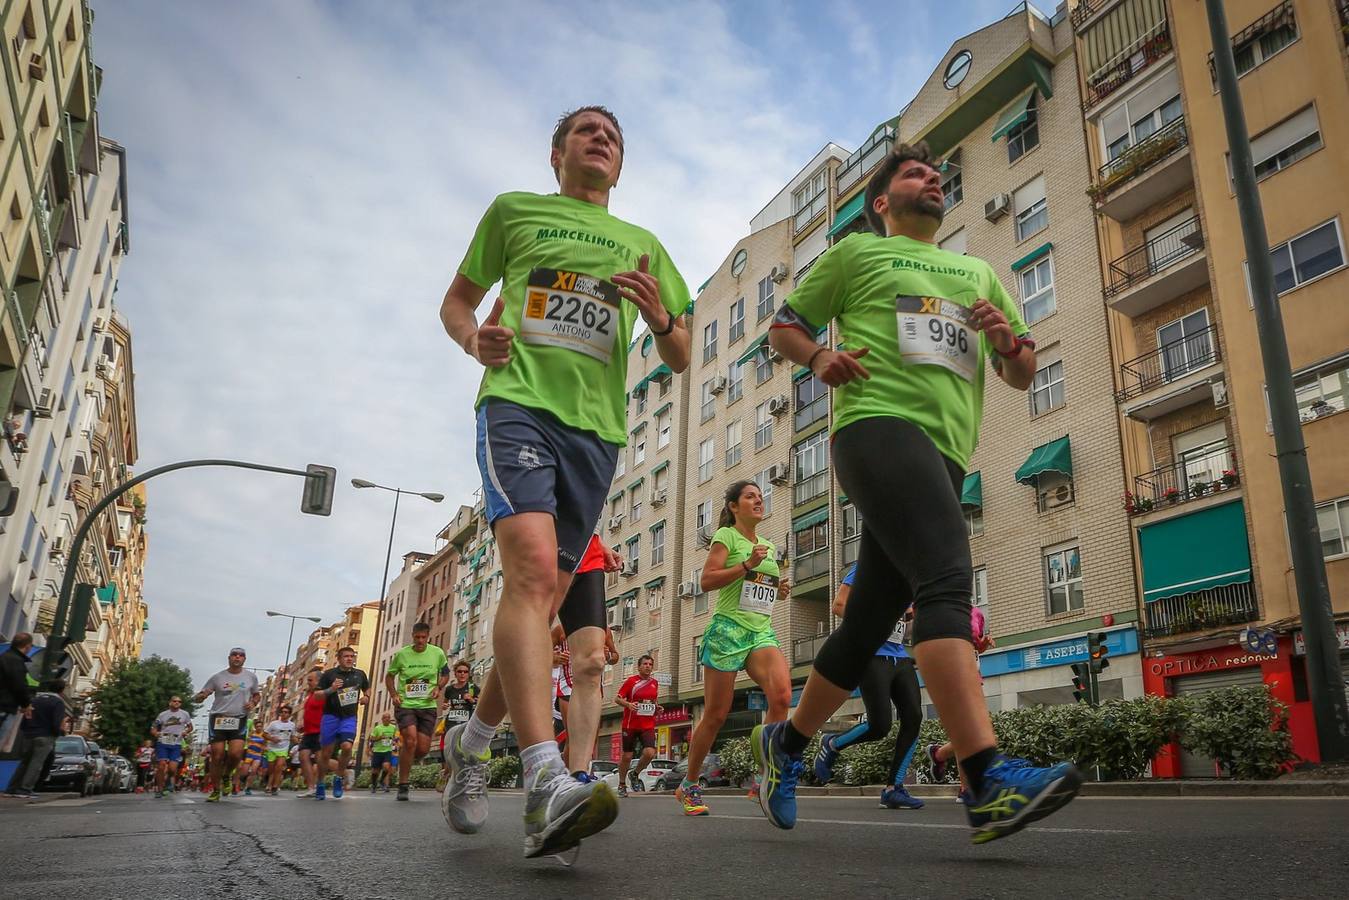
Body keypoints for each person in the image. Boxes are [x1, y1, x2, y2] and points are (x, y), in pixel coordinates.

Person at [756, 142, 1083, 844]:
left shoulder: (977, 273)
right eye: (913, 173)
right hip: (875, 428)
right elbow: (782, 327)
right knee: (944, 580)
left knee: (868, 622)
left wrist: (1006, 341)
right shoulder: (854, 256)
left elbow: (1021, 372)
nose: (931, 179)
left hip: (943, 452)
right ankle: (985, 778)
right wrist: (818, 357)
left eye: (937, 175)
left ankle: (782, 747)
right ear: (881, 201)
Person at [438, 104, 692, 861]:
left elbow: (678, 353)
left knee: (543, 602)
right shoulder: (514, 212)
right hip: (517, 406)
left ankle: (473, 742)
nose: (603, 139)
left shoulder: (643, 245)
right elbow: (457, 302)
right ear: (558, 154)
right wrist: (472, 339)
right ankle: (547, 777)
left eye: (613, 134)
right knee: (532, 572)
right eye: (587, 130)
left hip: (598, 432)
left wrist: (659, 318)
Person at [676, 481, 792, 817]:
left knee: (782, 697)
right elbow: (707, 581)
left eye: (759, 496)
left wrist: (778, 589)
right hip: (728, 630)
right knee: (715, 714)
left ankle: (762, 779)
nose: (758, 500)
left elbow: (760, 587)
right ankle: (690, 784)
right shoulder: (726, 537)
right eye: (750, 497)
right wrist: (745, 566)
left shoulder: (768, 545)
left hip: (760, 631)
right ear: (733, 506)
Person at [813, 564, 924, 810]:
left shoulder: (907, 578)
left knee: (914, 718)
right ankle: (832, 744)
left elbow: (905, 624)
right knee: (880, 726)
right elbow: (839, 605)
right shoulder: (868, 567)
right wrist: (878, 618)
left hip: (900, 656)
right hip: (873, 656)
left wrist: (912, 615)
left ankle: (893, 789)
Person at [553, 534, 624, 780]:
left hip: (586, 551)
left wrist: (600, 543)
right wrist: (552, 659)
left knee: (593, 663)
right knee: (521, 646)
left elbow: (583, 502)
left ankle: (578, 774)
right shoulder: (557, 633)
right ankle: (477, 735)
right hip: (539, 539)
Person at [927, 605, 996, 803]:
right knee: (971, 731)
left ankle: (940, 754)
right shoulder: (944, 608)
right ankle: (967, 789)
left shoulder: (976, 613)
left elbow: (977, 646)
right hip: (951, 673)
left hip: (974, 675)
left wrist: (984, 643)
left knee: (976, 731)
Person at [385, 622, 449, 801]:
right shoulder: (402, 654)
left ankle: (405, 759)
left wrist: (439, 686)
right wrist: (394, 694)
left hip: (427, 706)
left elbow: (445, 674)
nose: (420, 641)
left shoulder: (437, 653)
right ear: (412, 636)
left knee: (421, 749)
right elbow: (390, 676)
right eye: (417, 637)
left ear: (428, 637)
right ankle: (403, 785)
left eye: (423, 638)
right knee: (410, 739)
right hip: (406, 704)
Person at [193, 648, 260, 803]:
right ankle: (216, 790)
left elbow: (257, 695)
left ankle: (226, 775)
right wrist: (200, 697)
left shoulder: (251, 677)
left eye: (241, 655)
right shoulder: (218, 677)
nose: (237, 657)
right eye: (234, 655)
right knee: (217, 755)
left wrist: (253, 702)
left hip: (239, 718)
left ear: (244, 659)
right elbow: (204, 693)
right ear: (229, 658)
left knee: (236, 754)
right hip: (218, 718)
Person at [315, 646, 370, 800]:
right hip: (330, 716)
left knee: (347, 747)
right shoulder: (329, 674)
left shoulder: (359, 674)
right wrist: (331, 689)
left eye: (352, 656)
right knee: (326, 753)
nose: (349, 659)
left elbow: (367, 688)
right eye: (346, 656)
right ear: (339, 658)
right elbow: (317, 696)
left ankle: (338, 778)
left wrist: (367, 697)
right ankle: (319, 783)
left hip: (349, 717)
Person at [4, 678, 66, 799]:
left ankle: (12, 788)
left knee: (24, 762)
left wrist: (25, 729)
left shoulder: (35, 700)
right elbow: (56, 722)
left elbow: (26, 716)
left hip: (29, 734)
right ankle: (25, 789)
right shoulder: (58, 703)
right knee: (36, 763)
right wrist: (58, 732)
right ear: (61, 690)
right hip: (45, 736)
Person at [615, 655, 661, 798]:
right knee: (627, 756)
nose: (648, 666)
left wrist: (657, 708)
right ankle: (622, 784)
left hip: (647, 725)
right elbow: (617, 698)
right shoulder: (631, 682)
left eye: (650, 664)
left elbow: (653, 702)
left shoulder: (654, 683)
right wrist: (628, 704)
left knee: (650, 753)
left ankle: (635, 774)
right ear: (639, 666)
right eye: (645, 664)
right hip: (630, 725)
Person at [438, 661, 479, 787]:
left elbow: (480, 705)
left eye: (465, 672)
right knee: (450, 750)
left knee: (462, 751)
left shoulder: (473, 688)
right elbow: (445, 704)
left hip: (466, 723)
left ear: (468, 674)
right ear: (455, 673)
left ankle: (453, 776)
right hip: (451, 722)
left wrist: (471, 700)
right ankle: (447, 774)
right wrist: (444, 705)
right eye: (459, 671)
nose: (462, 674)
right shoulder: (450, 689)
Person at [150, 696, 193, 798]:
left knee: (172, 769)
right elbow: (153, 727)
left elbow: (190, 727)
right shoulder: (163, 715)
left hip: (176, 744)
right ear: (170, 703)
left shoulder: (184, 714)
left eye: (179, 701)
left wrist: (185, 732)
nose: (177, 703)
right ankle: (160, 789)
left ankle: (168, 781)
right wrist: (155, 733)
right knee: (161, 765)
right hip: (163, 742)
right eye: (174, 701)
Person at [0, 633, 34, 751]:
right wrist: (26, 704)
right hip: (5, 707)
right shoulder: (16, 661)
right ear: (28, 646)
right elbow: (19, 685)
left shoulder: (4, 657)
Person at [296, 667, 325, 799]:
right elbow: (306, 712)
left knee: (321, 760)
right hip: (308, 732)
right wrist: (301, 723)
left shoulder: (324, 694)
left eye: (310, 680)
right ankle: (311, 787)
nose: (308, 683)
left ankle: (321, 784)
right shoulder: (310, 695)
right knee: (303, 756)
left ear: (319, 681)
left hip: (320, 731)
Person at [264, 706, 296, 796]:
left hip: (283, 748)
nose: (284, 714)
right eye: (282, 712)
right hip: (272, 749)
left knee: (279, 767)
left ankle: (275, 787)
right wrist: (272, 738)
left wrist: (296, 740)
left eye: (286, 712)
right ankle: (268, 784)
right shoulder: (274, 724)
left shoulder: (292, 725)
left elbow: (292, 736)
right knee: (271, 770)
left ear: (289, 714)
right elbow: (264, 734)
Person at [368, 712, 399, 795]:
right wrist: (379, 738)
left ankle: (381, 781)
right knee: (375, 771)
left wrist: (395, 739)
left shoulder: (393, 727)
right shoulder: (378, 728)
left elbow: (395, 737)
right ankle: (374, 785)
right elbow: (372, 739)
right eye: (385, 717)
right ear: (382, 719)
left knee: (386, 767)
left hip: (387, 751)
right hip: (377, 751)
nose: (387, 719)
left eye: (388, 717)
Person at [242, 721, 267, 795]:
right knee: (244, 772)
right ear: (255, 727)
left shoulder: (264, 735)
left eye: (260, 726)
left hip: (258, 755)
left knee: (253, 771)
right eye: (257, 726)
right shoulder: (251, 733)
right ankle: (242, 782)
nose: (259, 727)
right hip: (249, 754)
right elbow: (248, 740)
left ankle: (248, 788)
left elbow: (265, 744)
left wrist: (264, 748)